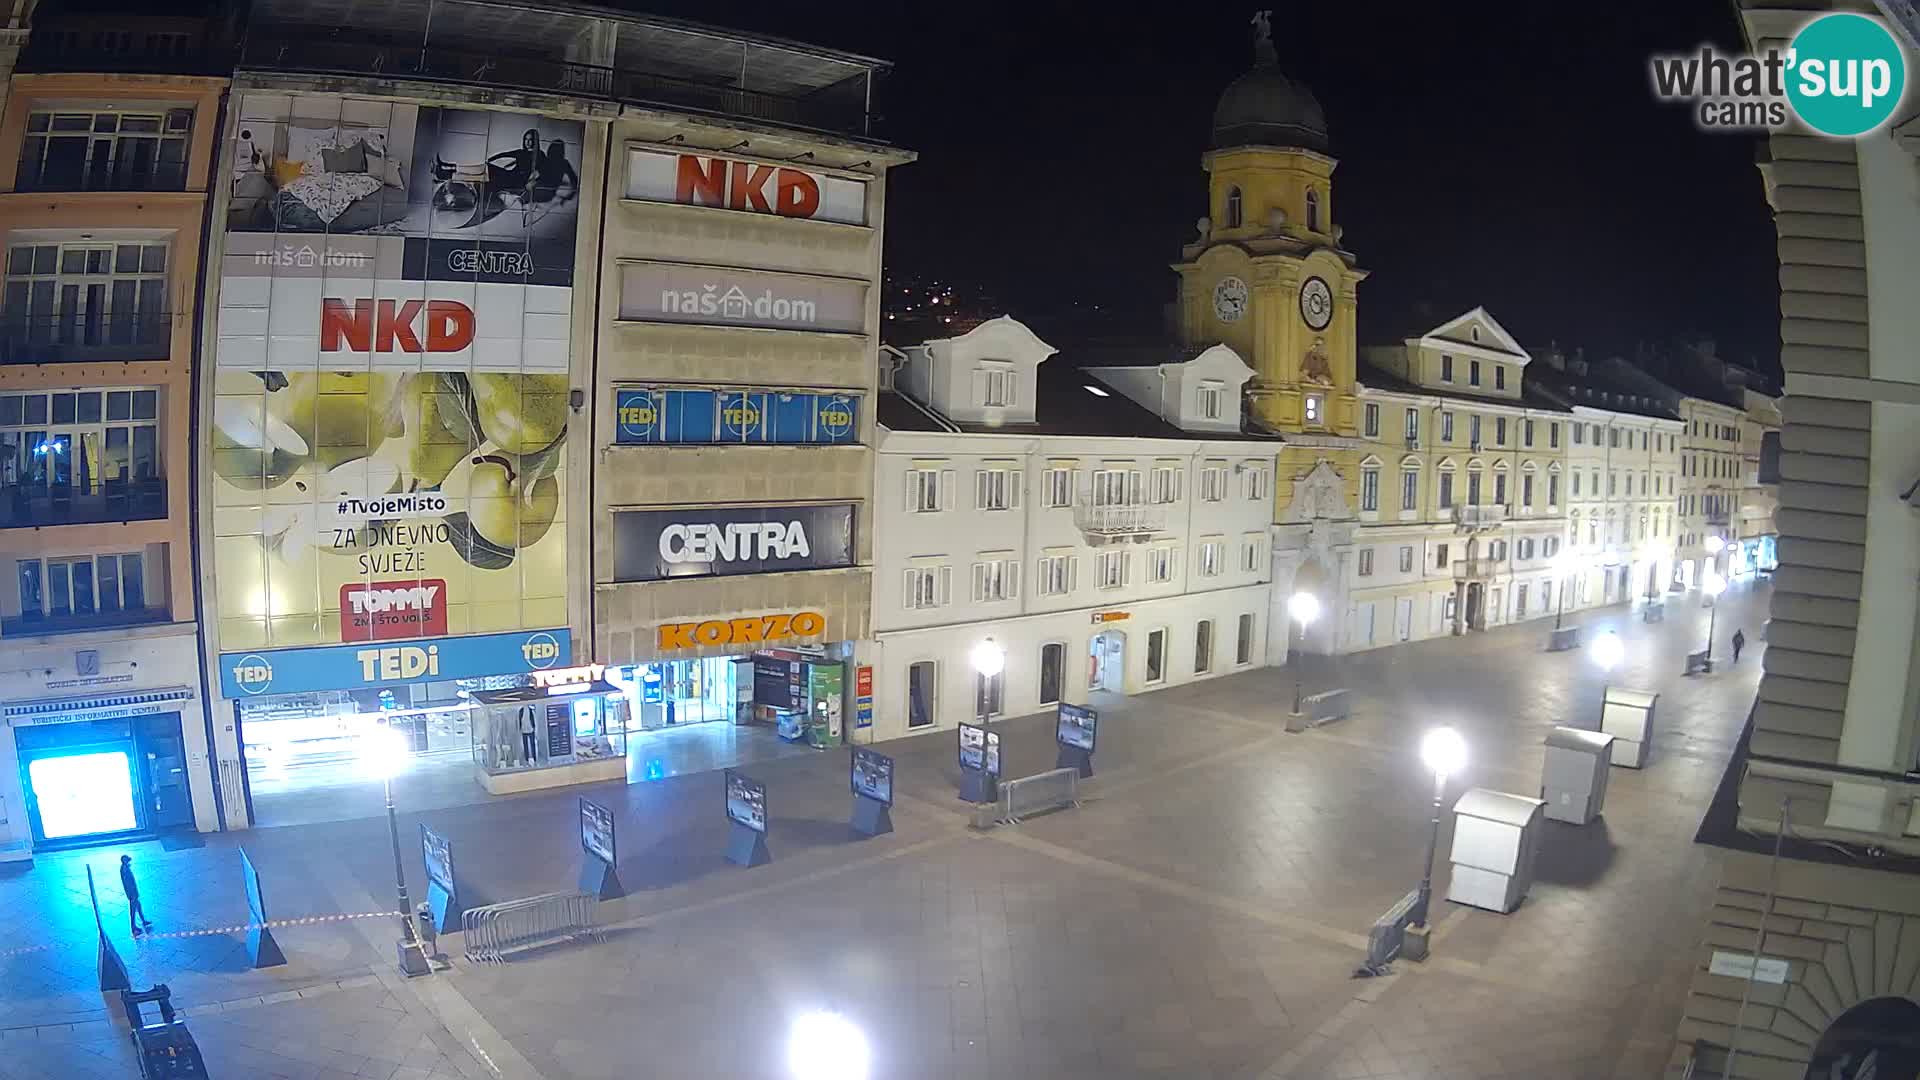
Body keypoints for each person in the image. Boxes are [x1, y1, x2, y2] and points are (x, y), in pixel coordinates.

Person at [120, 854, 153, 936]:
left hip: (133, 892)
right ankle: (133, 927)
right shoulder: (124, 869)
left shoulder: (125, 868)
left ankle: (143, 921)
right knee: (133, 910)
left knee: (138, 907)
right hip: (132, 893)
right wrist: (132, 894)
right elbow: (128, 883)